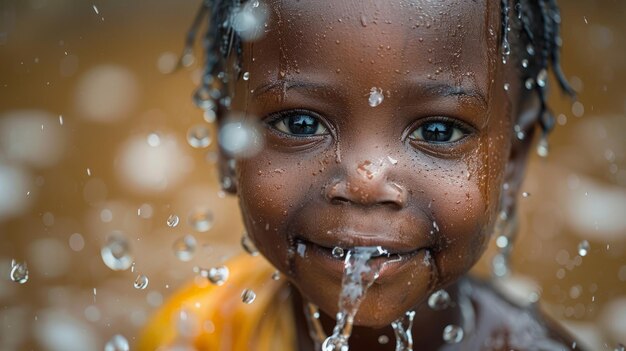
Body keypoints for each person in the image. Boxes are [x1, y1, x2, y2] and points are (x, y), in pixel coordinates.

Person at [139, 0, 581, 350]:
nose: (366, 181)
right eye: (300, 124)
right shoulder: (201, 331)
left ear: (511, 160)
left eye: (438, 131)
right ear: (228, 143)